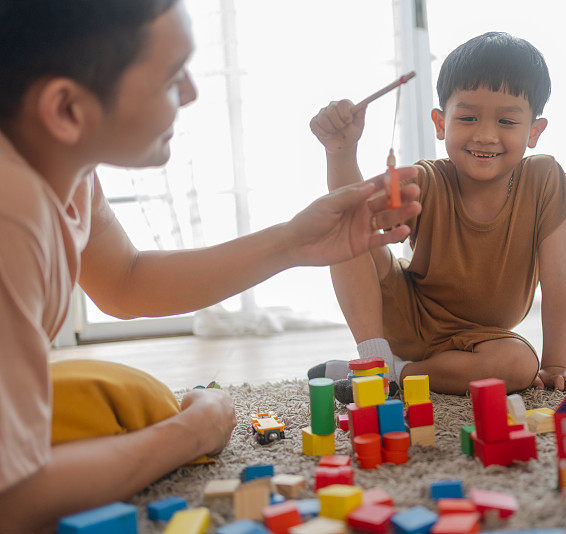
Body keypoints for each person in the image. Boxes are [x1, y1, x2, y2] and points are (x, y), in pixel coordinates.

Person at [0, 1, 421, 531]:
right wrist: (193, 433)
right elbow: (15, 500)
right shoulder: (12, 213)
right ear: (65, 109)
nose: (193, 93)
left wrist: (294, 242)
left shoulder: (64, 166)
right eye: (171, 77)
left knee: (138, 400)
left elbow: (124, 283)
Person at [308, 32, 566, 401]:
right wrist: (342, 153)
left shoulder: (544, 179)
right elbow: (354, 215)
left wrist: (555, 364)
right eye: (469, 117)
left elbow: (559, 274)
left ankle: (395, 374)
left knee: (520, 365)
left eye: (507, 122)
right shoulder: (426, 179)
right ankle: (373, 365)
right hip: (406, 315)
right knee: (351, 234)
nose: (486, 135)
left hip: (483, 340)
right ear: (441, 124)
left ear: (534, 131)